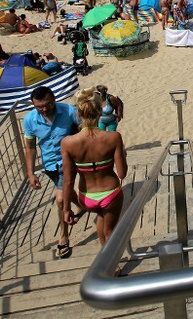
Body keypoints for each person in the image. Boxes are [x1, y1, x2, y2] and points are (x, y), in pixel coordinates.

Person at [62, 87, 127, 246]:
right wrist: (122, 156)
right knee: (110, 230)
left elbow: (68, 181)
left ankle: (103, 254)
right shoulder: (113, 137)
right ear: (100, 111)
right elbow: (122, 173)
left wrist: (66, 209)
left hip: (87, 196)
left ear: (78, 113)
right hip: (110, 192)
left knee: (101, 218)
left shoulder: (68, 143)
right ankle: (112, 266)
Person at [23, 86, 81, 258]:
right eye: (39, 106)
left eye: (47, 104)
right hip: (49, 165)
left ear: (54, 99)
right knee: (66, 193)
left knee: (61, 199)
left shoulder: (69, 111)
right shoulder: (30, 120)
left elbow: (84, 130)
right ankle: (82, 205)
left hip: (68, 161)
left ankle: (63, 237)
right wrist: (31, 173)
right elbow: (30, 147)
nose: (44, 109)